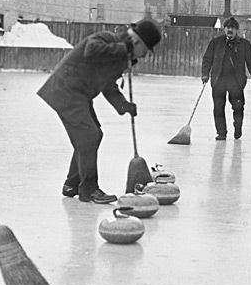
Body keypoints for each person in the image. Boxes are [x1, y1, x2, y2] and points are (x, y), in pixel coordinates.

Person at [38, 21, 161, 204]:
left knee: (93, 135)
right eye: (146, 49)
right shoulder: (108, 39)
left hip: (79, 94)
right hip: (66, 90)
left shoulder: (121, 57)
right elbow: (91, 49)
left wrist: (123, 105)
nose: (144, 55)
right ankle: (88, 189)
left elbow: (108, 84)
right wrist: (123, 48)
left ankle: (72, 184)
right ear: (136, 41)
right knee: (88, 135)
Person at [201, 17, 251, 140]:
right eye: (228, 27)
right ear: (224, 29)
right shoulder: (215, 43)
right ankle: (221, 133)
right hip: (219, 80)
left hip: (236, 81)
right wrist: (205, 74)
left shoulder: (244, 44)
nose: (230, 30)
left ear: (236, 30)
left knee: (238, 107)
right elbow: (207, 59)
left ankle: (237, 128)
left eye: (233, 28)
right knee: (218, 107)